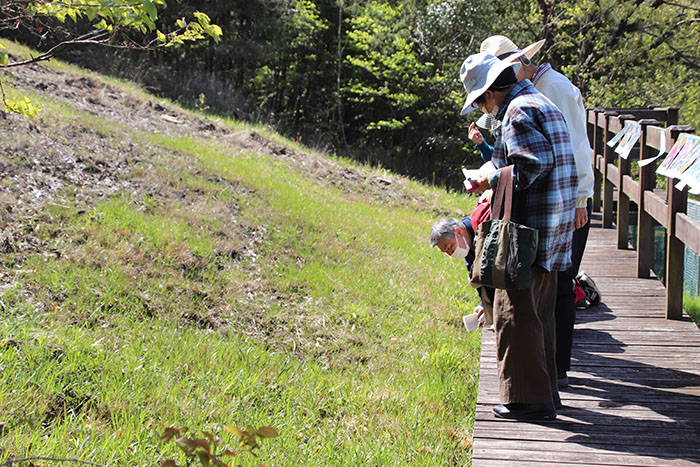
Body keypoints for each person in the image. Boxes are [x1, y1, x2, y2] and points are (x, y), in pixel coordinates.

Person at [460, 52, 578, 420]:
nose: (483, 107)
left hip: (529, 231)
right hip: (552, 225)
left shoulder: (515, 111)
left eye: (480, 99)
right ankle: (547, 393)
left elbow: (531, 164)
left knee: (515, 314)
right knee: (539, 314)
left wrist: (487, 178)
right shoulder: (537, 101)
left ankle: (527, 401)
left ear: (493, 91)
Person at [479, 35, 594, 388]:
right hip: (558, 201)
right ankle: (552, 374)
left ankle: (555, 371)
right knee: (551, 286)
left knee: (557, 287)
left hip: (565, 201)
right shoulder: (531, 92)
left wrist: (580, 199)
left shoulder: (550, 90)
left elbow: (576, 146)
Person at [430, 198, 493, 328]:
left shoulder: (482, 228)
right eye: (446, 251)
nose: (451, 253)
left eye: (449, 246)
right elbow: (478, 279)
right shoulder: (467, 249)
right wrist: (483, 305)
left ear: (458, 231)